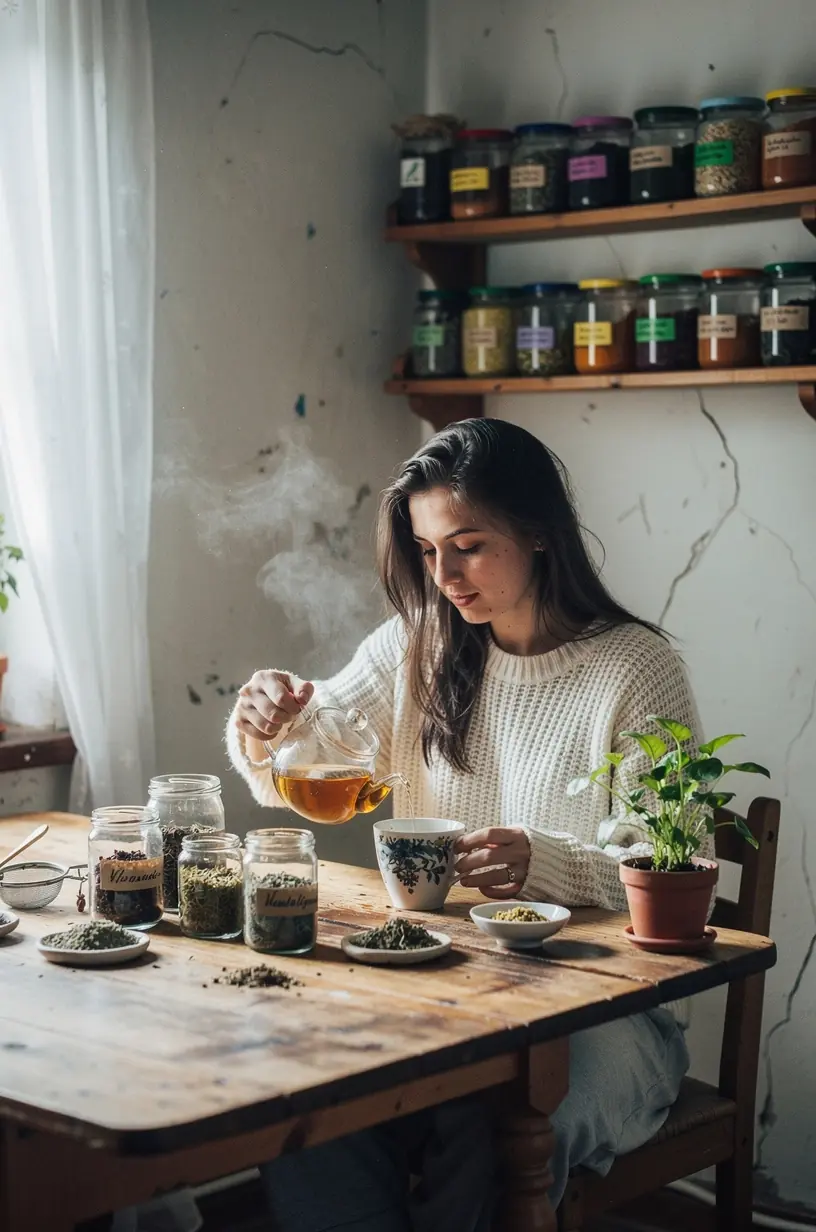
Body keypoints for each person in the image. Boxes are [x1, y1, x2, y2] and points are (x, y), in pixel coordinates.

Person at [227, 418, 703, 1232]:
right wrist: (264, 721)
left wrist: (543, 861)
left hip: (607, 1015)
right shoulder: (418, 646)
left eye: (469, 544)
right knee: (306, 1096)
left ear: (541, 534)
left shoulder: (634, 668)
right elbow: (304, 761)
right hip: (444, 987)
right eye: (425, 549)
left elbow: (677, 860)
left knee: (497, 1117)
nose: (443, 574)